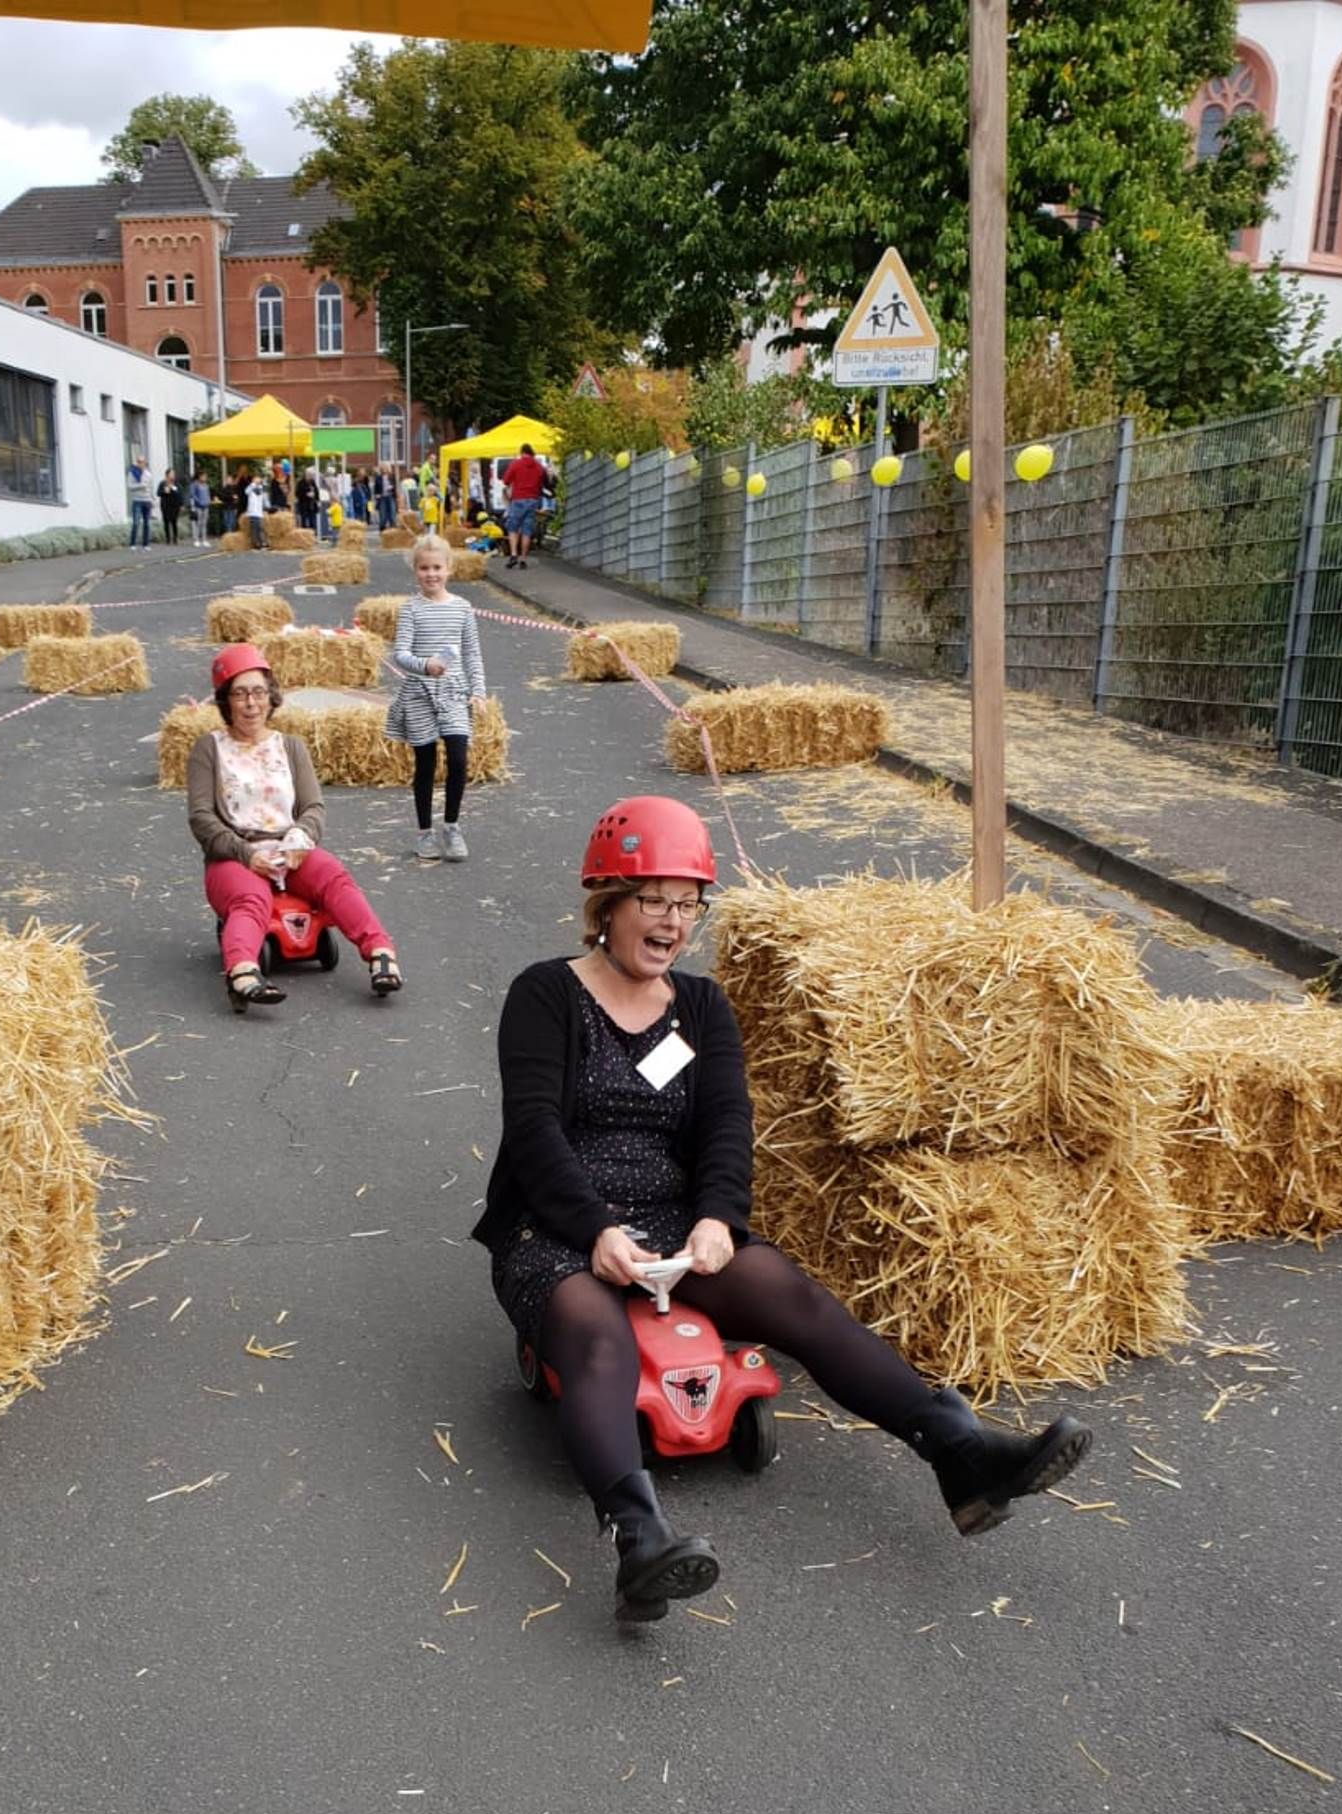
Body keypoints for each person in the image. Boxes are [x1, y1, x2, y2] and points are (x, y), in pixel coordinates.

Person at [475, 796, 1094, 1621]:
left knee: (790, 1295)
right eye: (652, 899)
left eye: (688, 902)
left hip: (669, 1213)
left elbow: (729, 1124)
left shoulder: (700, 1007)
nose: (672, 921)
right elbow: (535, 1131)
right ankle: (640, 1540)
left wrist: (716, 1219)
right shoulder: (546, 994)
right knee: (593, 1332)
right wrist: (594, 1231)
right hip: (553, 1223)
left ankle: (960, 1451)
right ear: (607, 906)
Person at [187, 643, 404, 1013]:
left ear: (271, 697)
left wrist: (300, 839)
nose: (250, 703)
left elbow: (313, 807)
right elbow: (201, 817)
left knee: (334, 876)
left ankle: (381, 954)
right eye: (239, 694)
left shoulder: (290, 746)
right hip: (236, 854)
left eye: (258, 692)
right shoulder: (209, 748)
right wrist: (245, 853)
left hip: (290, 847)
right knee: (250, 899)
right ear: (226, 701)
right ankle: (242, 974)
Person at [385, 533, 486, 865]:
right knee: (425, 763)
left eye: (437, 568)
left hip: (454, 693)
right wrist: (425, 665)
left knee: (458, 758)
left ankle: (453, 826)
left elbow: (472, 653)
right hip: (419, 692)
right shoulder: (411, 608)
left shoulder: (462, 608)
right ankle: (425, 832)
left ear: (449, 569)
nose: (431, 574)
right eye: (425, 568)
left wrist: (478, 691)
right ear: (416, 571)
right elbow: (400, 653)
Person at [500, 443, 546, 571]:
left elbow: (505, 481)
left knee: (513, 527)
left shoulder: (516, 464)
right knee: (527, 530)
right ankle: (523, 559)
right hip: (533, 500)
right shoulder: (539, 466)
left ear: (522, 452)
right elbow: (543, 482)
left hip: (518, 499)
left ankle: (514, 554)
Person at [127, 456, 153, 549]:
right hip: (137, 500)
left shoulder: (148, 474)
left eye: (142, 462)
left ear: (145, 463)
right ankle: (132, 543)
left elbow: (150, 488)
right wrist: (140, 486)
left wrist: (151, 500)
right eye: (138, 462)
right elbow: (130, 486)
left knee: (147, 523)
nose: (140, 463)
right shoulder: (132, 473)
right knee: (136, 522)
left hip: (146, 500)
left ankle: (146, 544)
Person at [244, 468, 269, 550]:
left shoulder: (261, 488)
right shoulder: (251, 487)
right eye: (256, 478)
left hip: (259, 512)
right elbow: (246, 492)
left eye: (259, 478)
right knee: (255, 528)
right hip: (253, 512)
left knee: (260, 528)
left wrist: (267, 507)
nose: (258, 480)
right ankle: (257, 544)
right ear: (253, 479)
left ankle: (261, 543)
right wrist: (253, 484)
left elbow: (264, 498)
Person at [157, 467, 184, 546]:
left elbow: (180, 494)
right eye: (171, 474)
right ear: (167, 475)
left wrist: (181, 504)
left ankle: (175, 538)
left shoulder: (176, 484)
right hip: (165, 505)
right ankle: (168, 539)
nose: (173, 475)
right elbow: (158, 493)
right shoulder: (162, 483)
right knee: (166, 522)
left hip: (175, 506)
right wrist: (164, 491)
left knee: (174, 522)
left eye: (174, 474)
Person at [189, 468, 213, 545]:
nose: (205, 478)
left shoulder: (206, 485)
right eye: (204, 476)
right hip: (198, 506)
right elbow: (193, 495)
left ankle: (204, 539)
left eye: (206, 476)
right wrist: (198, 501)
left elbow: (208, 494)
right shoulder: (195, 484)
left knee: (204, 523)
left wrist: (209, 500)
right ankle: (196, 539)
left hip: (206, 506)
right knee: (198, 523)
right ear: (199, 476)